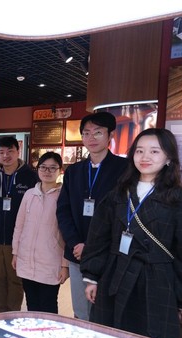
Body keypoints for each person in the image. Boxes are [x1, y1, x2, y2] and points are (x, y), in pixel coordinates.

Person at [81, 128, 182, 338]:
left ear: (169, 158)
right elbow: (99, 238)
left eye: (154, 151)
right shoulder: (118, 194)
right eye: (139, 151)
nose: (145, 157)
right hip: (115, 276)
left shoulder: (181, 201)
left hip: (157, 283)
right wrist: (92, 277)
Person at [56, 112, 127, 320]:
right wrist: (75, 243)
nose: (91, 138)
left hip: (108, 254)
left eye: (98, 133)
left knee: (105, 312)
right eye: (86, 133)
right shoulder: (74, 171)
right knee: (81, 310)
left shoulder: (125, 169)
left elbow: (124, 215)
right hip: (78, 253)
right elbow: (63, 211)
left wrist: (93, 247)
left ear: (110, 135)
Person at [0, 136, 37, 313]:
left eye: (10, 151)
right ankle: (1, 311)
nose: (6, 156)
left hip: (19, 239)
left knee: (15, 279)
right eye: (1, 152)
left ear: (18, 151)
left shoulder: (30, 177)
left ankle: (13, 314)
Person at [12, 152, 68, 314]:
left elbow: (67, 234)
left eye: (52, 168)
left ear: (60, 171)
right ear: (37, 169)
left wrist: (65, 265)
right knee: (31, 304)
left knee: (48, 306)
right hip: (26, 259)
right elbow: (19, 226)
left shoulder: (64, 196)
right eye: (43, 167)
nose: (47, 171)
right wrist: (15, 253)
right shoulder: (29, 194)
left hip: (50, 262)